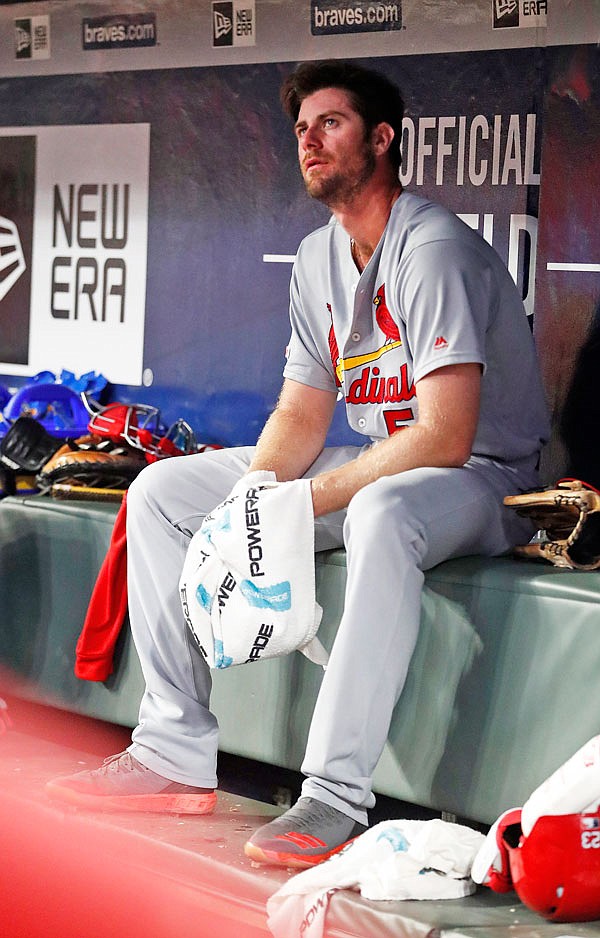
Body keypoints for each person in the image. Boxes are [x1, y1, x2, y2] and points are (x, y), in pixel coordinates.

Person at [47, 60, 550, 868]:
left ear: (382, 139)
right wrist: (253, 499)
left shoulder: (432, 249)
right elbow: (302, 415)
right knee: (164, 491)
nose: (309, 142)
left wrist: (304, 500)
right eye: (301, 129)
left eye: (331, 124)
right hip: (378, 456)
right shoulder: (319, 255)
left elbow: (446, 435)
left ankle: (333, 795)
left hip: (487, 477)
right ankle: (173, 753)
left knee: (381, 511)